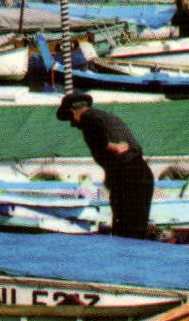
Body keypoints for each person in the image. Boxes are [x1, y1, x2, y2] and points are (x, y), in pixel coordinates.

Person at [56, 91, 156, 239]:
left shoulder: (88, 118)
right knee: (136, 229)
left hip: (128, 176)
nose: (72, 124)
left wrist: (112, 147)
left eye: (70, 119)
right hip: (140, 172)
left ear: (73, 113)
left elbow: (98, 137)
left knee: (125, 231)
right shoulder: (104, 116)